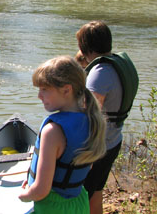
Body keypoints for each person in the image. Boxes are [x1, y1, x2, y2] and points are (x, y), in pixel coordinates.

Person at [18, 56, 106, 214]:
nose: (39, 96)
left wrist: (24, 195)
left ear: (66, 90)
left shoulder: (52, 132)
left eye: (44, 89)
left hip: (52, 206)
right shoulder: (91, 120)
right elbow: (85, 166)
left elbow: (41, 191)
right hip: (79, 202)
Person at [76, 21, 139, 214]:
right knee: (96, 190)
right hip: (114, 140)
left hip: (98, 147)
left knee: (81, 194)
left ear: (84, 46)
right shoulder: (117, 62)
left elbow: (90, 115)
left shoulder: (100, 73)